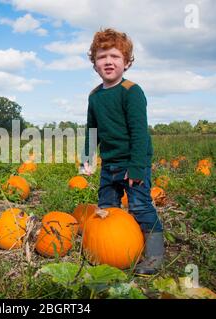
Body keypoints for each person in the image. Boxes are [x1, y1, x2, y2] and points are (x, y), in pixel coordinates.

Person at [81, 28, 164, 275]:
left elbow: (139, 133)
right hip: (110, 164)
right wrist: (87, 157)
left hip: (132, 162)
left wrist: (137, 166)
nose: (108, 61)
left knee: (140, 206)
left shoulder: (132, 92)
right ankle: (112, 249)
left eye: (115, 56)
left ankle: (155, 254)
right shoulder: (95, 96)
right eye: (102, 56)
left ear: (126, 63)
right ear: (94, 64)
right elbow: (91, 130)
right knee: (107, 208)